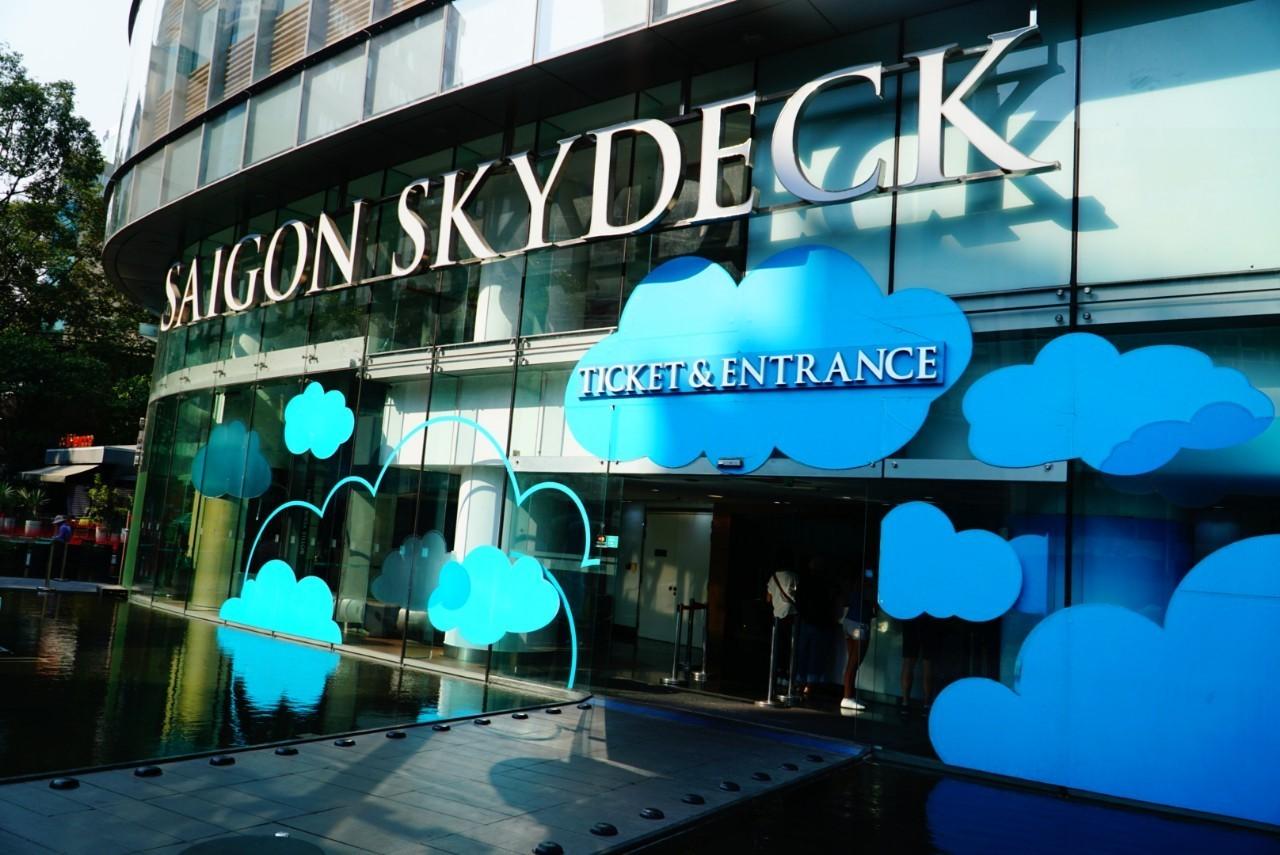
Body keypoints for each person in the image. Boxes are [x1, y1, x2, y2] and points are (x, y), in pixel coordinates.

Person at [839, 567, 876, 712]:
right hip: (859, 624)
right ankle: (847, 697)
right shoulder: (868, 586)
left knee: (852, 662)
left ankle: (850, 695)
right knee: (854, 663)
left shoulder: (853, 584)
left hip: (849, 621)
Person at [900, 615, 940, 717]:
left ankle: (905, 703)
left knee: (908, 661)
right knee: (928, 663)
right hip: (930, 619)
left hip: (910, 618)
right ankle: (926, 705)